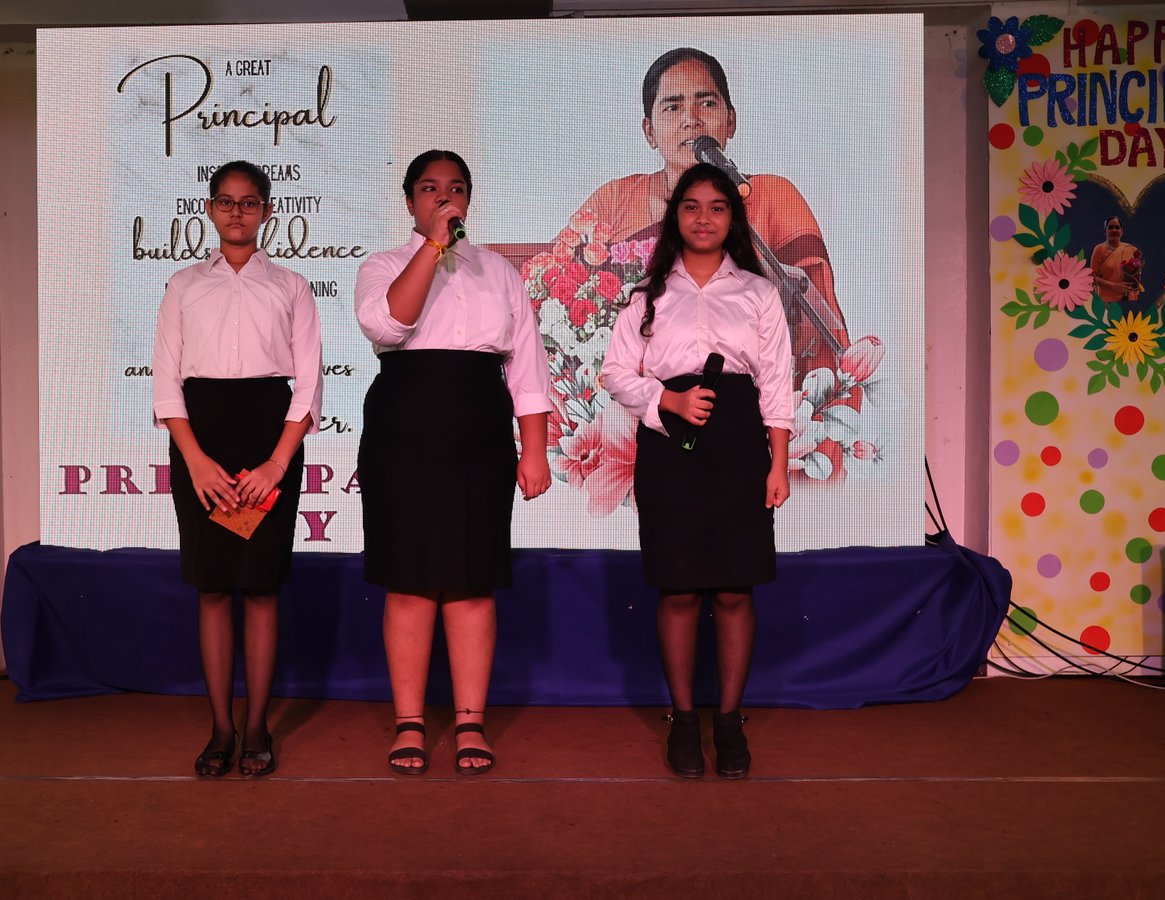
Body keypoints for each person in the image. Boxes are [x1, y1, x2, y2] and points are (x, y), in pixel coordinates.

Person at [354, 150, 553, 776]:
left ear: (470, 198)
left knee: (471, 580)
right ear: (409, 201)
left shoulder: (498, 271)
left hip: (479, 431)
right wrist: (432, 248)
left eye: (456, 188)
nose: (445, 198)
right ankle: (410, 723)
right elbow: (388, 324)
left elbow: (527, 366)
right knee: (410, 581)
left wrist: (535, 448)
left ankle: (470, 722)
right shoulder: (383, 265)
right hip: (403, 433)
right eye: (430, 189)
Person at [600, 162, 794, 779]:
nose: (704, 218)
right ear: (674, 216)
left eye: (717, 207)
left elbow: (777, 385)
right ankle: (684, 720)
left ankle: (729, 721)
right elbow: (614, 373)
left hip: (739, 441)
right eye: (691, 206)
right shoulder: (647, 296)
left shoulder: (759, 293)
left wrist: (779, 463)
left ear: (733, 218)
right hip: (670, 442)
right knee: (679, 588)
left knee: (735, 588)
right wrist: (667, 400)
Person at [151, 160, 323, 778]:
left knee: (262, 586)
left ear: (267, 212)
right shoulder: (183, 285)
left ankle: (257, 727)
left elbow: (308, 385)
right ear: (209, 209)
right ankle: (221, 727)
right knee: (215, 586)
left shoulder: (292, 286)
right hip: (202, 438)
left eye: (249, 202)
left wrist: (277, 462)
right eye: (226, 201)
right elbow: (166, 382)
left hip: (268, 436)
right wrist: (195, 461)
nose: (237, 212)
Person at [572, 47, 847, 383]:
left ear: (731, 121)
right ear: (649, 132)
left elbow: (815, 313)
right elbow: (553, 288)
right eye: (673, 107)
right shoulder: (613, 201)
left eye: (706, 103)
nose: (692, 119)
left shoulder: (771, 196)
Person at [1090, 216, 1143, 304]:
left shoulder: (1131, 249)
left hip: (1129, 301)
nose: (1114, 230)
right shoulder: (1099, 249)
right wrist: (1114, 286)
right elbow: (1092, 277)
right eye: (1110, 227)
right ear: (1105, 232)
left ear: (1122, 232)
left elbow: (1136, 275)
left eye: (1117, 227)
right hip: (1107, 303)